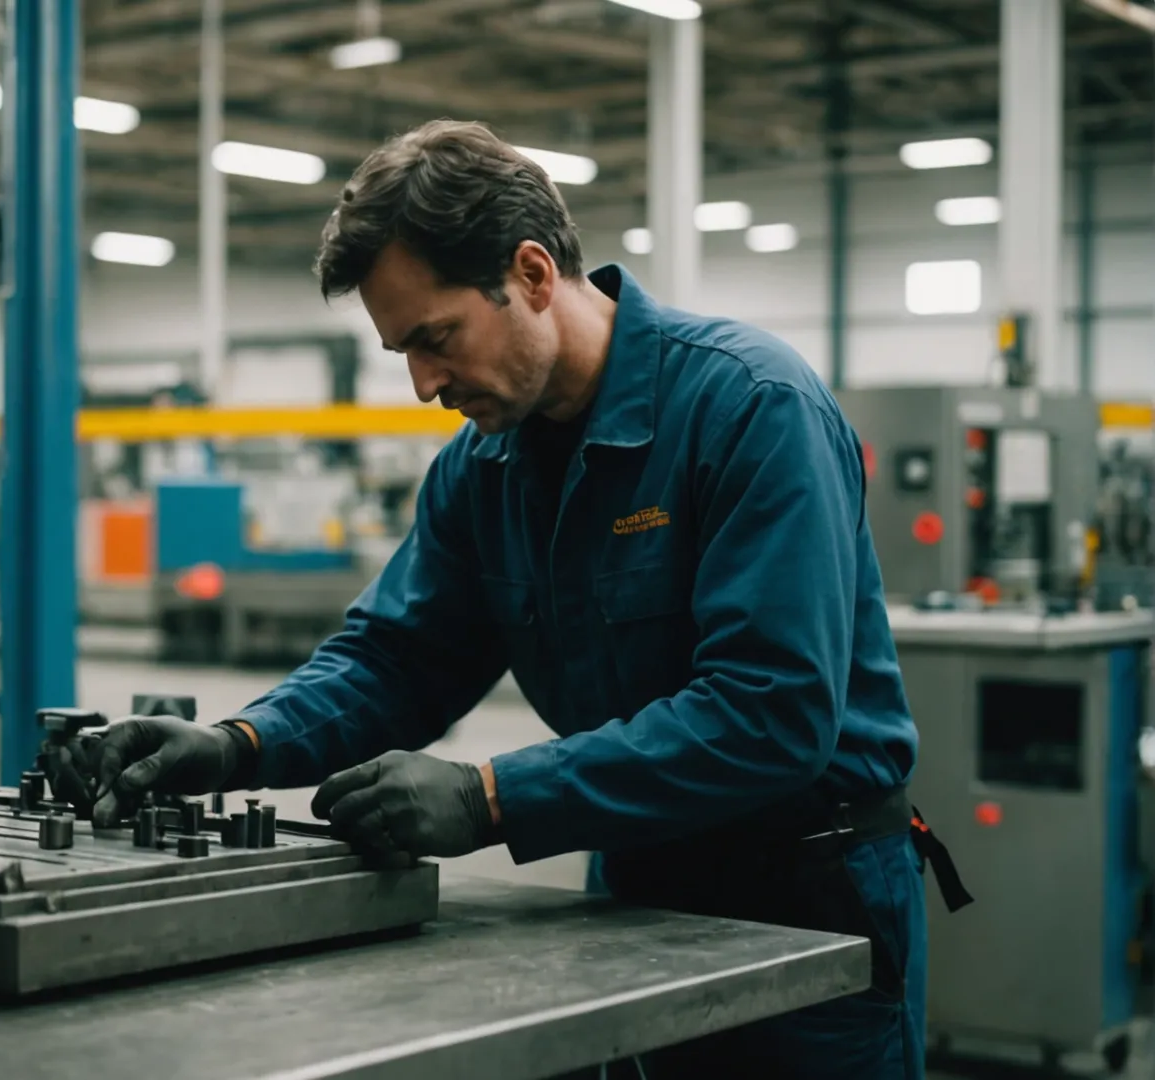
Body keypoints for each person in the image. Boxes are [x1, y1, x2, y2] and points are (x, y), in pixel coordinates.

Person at [91, 120, 968, 1079]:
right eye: (402, 353)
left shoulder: (751, 409)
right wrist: (239, 745)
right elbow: (398, 657)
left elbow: (770, 713)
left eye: (436, 339)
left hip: (808, 895)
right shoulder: (483, 468)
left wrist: (492, 797)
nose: (424, 383)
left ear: (534, 274)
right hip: (632, 878)